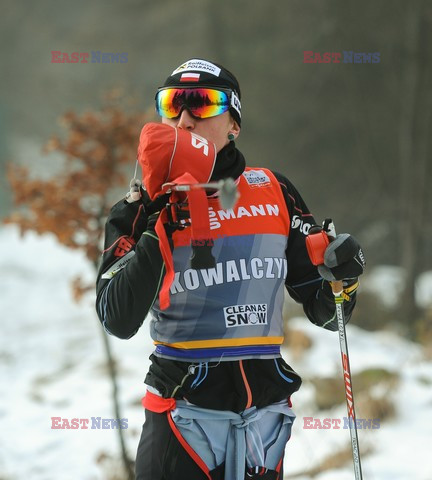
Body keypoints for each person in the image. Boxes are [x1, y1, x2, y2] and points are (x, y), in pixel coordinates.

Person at [95, 58, 365, 480]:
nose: (184, 119)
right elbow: (117, 319)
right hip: (184, 418)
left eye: (201, 104)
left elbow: (328, 311)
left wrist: (343, 275)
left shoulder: (273, 190)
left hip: (264, 421)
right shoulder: (139, 206)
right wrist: (156, 223)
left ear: (233, 122)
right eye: (171, 105)